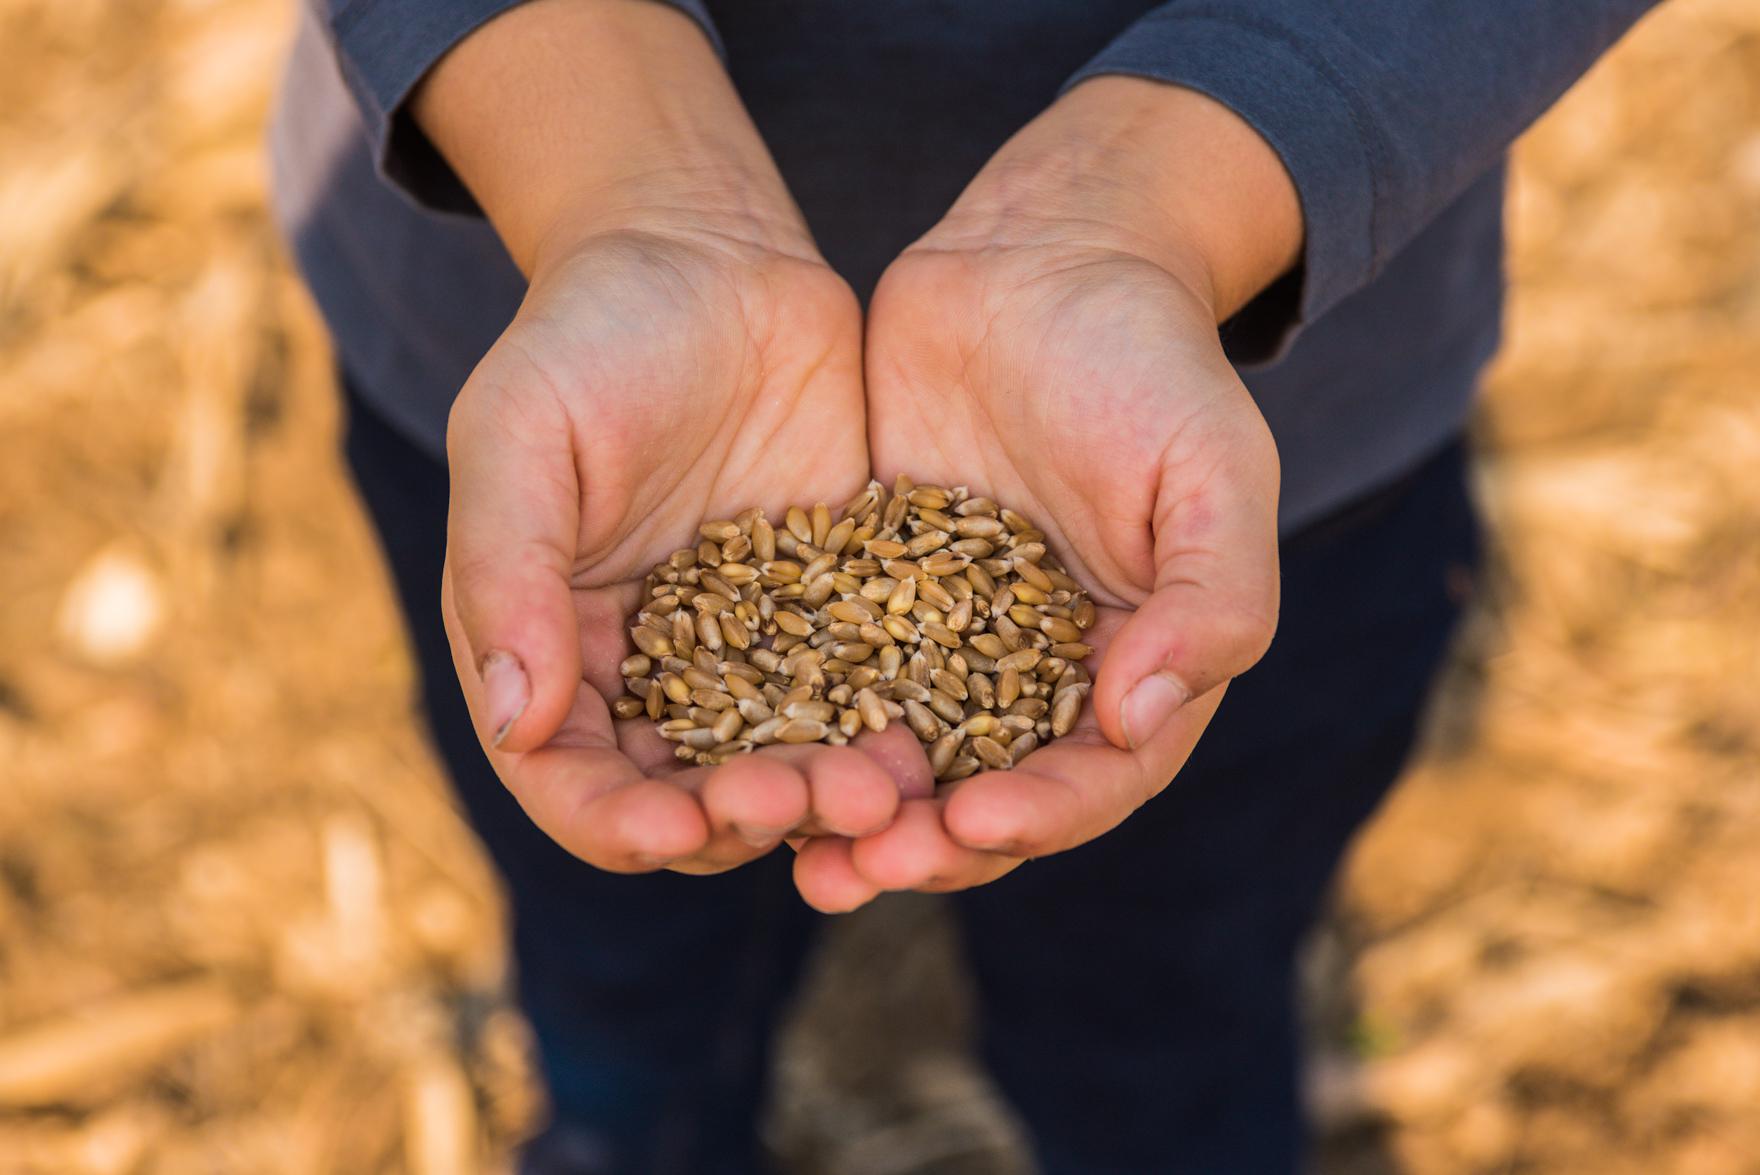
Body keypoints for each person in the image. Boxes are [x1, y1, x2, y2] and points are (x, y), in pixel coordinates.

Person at [272, 1, 1660, 1170]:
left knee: (1172, 996)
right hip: (556, 358)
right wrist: (616, 184)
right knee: (620, 958)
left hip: (1241, 441)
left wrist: (1179, 186)